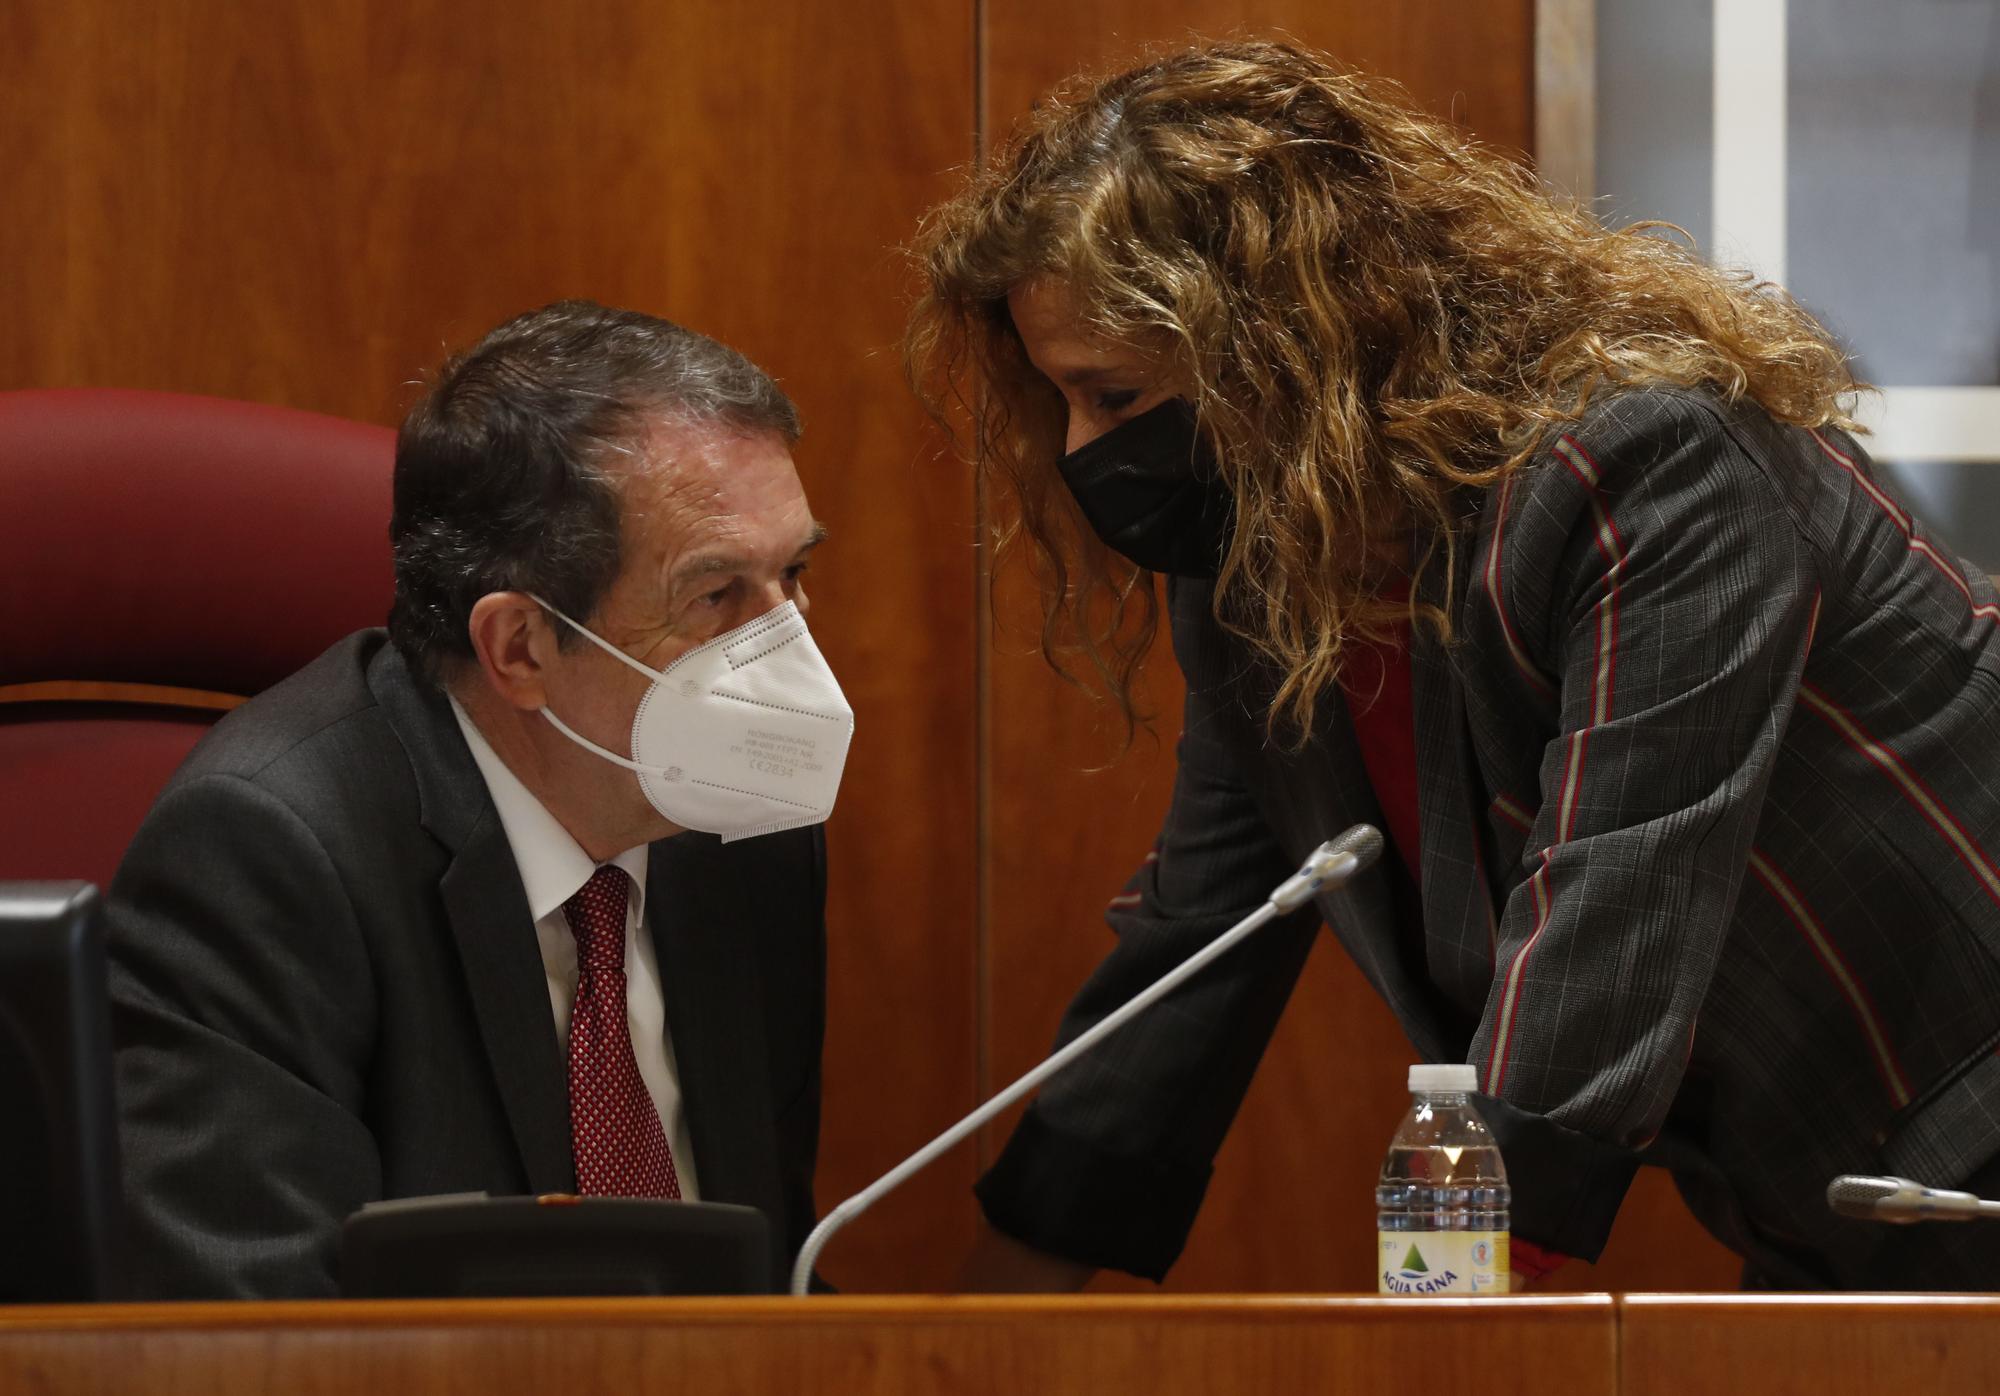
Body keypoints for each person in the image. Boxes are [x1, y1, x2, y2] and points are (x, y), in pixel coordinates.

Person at [909, 40, 2000, 1290]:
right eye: (1059, 403)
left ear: (1282, 342)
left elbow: (1612, 900)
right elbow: (1197, 939)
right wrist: (987, 1307)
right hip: (1836, 1204)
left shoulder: (1645, 462)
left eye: (1109, 395)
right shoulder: (1265, 586)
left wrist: (1445, 1302)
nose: (1077, 449)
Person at [108, 300, 849, 1297]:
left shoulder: (739, 827)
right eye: (716, 595)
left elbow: (764, 1288)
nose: (784, 655)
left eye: (792, 574)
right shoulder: (269, 855)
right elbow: (252, 1344)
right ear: (519, 648)